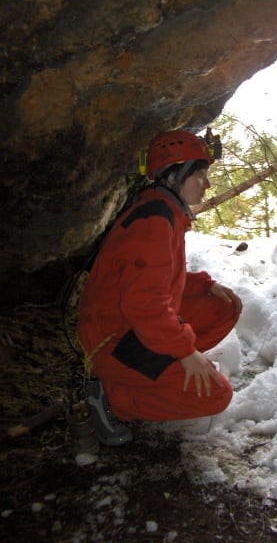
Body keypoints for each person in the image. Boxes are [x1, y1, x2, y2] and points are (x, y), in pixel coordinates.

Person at [77, 130, 242, 446]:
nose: (207, 184)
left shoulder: (164, 211)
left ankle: (160, 374)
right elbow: (144, 302)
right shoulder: (154, 220)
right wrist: (185, 351)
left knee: (223, 305)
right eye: (200, 175)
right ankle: (113, 398)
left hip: (133, 322)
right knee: (216, 396)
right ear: (175, 175)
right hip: (115, 338)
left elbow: (156, 277)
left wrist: (204, 284)